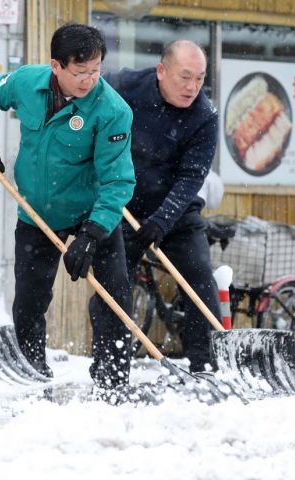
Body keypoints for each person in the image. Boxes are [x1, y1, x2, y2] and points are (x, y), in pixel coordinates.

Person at [0, 23, 136, 393]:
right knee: (29, 300)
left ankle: (113, 382)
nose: (89, 80)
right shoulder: (28, 83)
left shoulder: (112, 111)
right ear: (56, 66)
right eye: (80, 72)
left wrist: (92, 234)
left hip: (93, 215)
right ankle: (31, 374)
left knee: (115, 297)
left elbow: (118, 181)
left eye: (96, 70)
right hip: (37, 213)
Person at [104, 40, 220, 372]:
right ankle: (111, 370)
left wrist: (161, 221)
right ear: (161, 71)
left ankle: (205, 366)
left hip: (176, 212)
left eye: (199, 78)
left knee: (198, 276)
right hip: (123, 205)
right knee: (112, 287)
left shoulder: (204, 116)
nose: (192, 87)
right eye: (185, 77)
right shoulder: (126, 86)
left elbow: (191, 178)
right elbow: (83, 91)